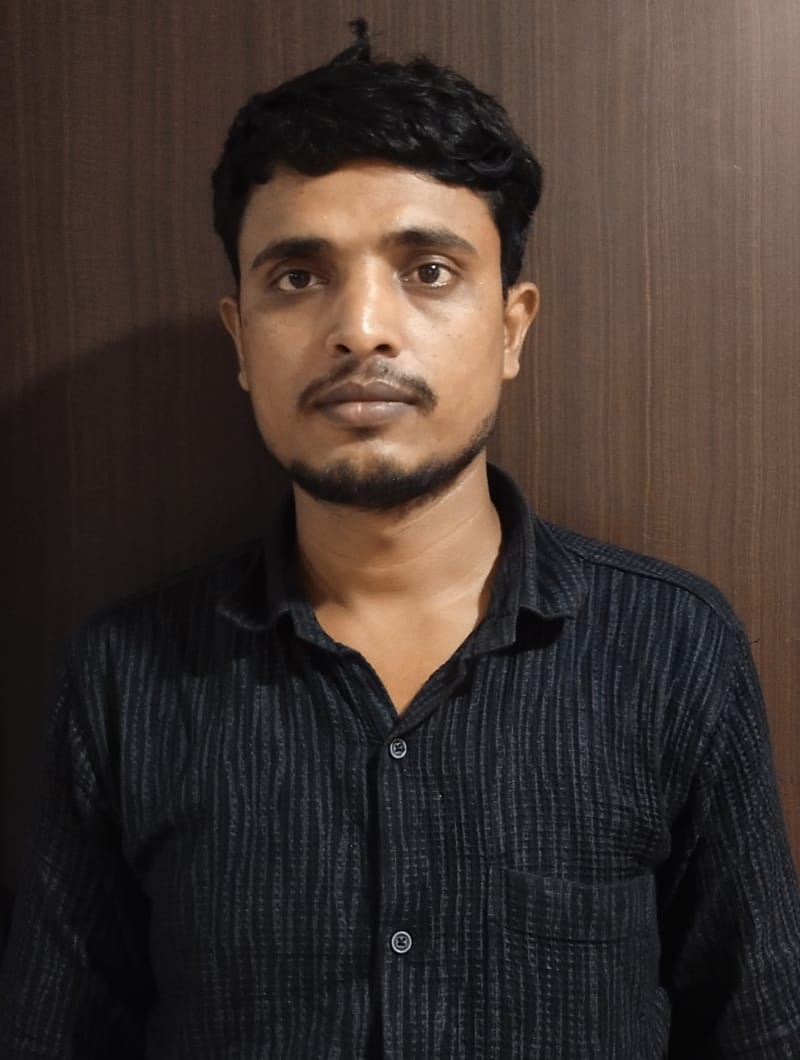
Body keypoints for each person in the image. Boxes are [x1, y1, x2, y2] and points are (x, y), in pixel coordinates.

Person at [1, 19, 799, 1059]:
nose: (361, 328)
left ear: (510, 326)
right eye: (298, 276)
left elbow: (758, 1028)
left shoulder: (674, 648)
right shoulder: (122, 679)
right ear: (240, 340)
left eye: (427, 270)